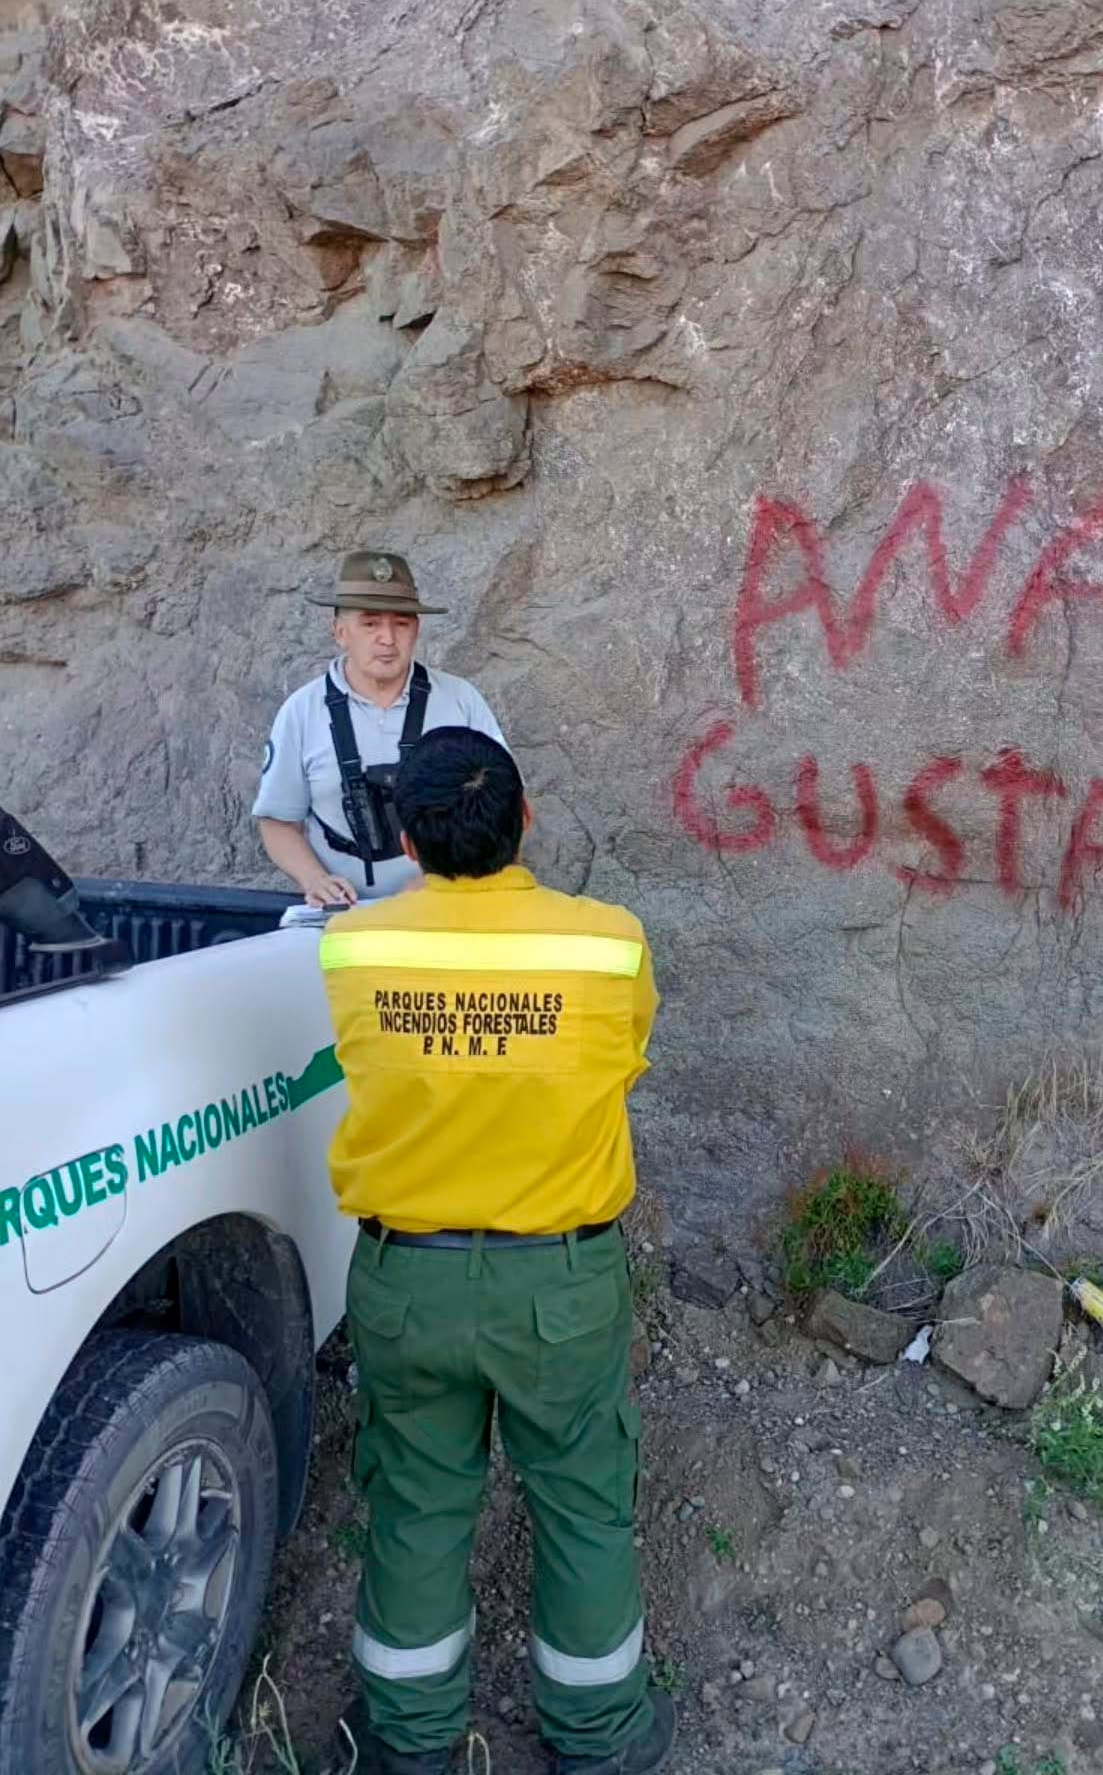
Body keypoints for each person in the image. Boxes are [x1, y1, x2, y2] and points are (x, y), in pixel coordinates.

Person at [317, 727, 672, 1775]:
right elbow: (626, 1060)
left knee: (417, 1504)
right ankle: (599, 1740)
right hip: (559, 1287)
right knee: (582, 1503)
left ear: (408, 843)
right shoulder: (607, 944)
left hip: (405, 1282)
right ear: (524, 820)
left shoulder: (354, 948)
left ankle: (410, 1742)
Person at [254, 551, 506, 906]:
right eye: (370, 624)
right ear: (340, 632)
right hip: (340, 912)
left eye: (401, 624)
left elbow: (505, 809)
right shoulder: (301, 711)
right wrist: (316, 880)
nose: (387, 638)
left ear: (417, 629)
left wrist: (446, 881)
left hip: (446, 905)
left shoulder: (461, 701)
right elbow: (278, 821)